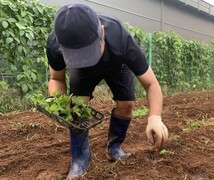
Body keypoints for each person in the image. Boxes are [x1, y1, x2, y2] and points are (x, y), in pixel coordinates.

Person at [46, 2, 168, 179]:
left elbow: (151, 84)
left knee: (126, 104)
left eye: (89, 52)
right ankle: (80, 159)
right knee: (77, 108)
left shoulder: (120, 37)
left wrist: (155, 117)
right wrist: (58, 104)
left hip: (117, 66)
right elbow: (56, 79)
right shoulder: (55, 43)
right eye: (77, 56)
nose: (87, 59)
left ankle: (114, 147)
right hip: (82, 73)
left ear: (101, 32)